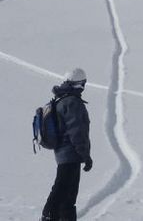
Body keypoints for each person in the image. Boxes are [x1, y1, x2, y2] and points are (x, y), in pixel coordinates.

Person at [41, 68, 92, 221]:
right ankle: (47, 215)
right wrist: (85, 155)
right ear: (80, 84)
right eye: (83, 84)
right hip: (71, 154)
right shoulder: (72, 102)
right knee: (63, 189)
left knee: (67, 194)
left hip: (63, 153)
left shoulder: (61, 99)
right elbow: (77, 132)